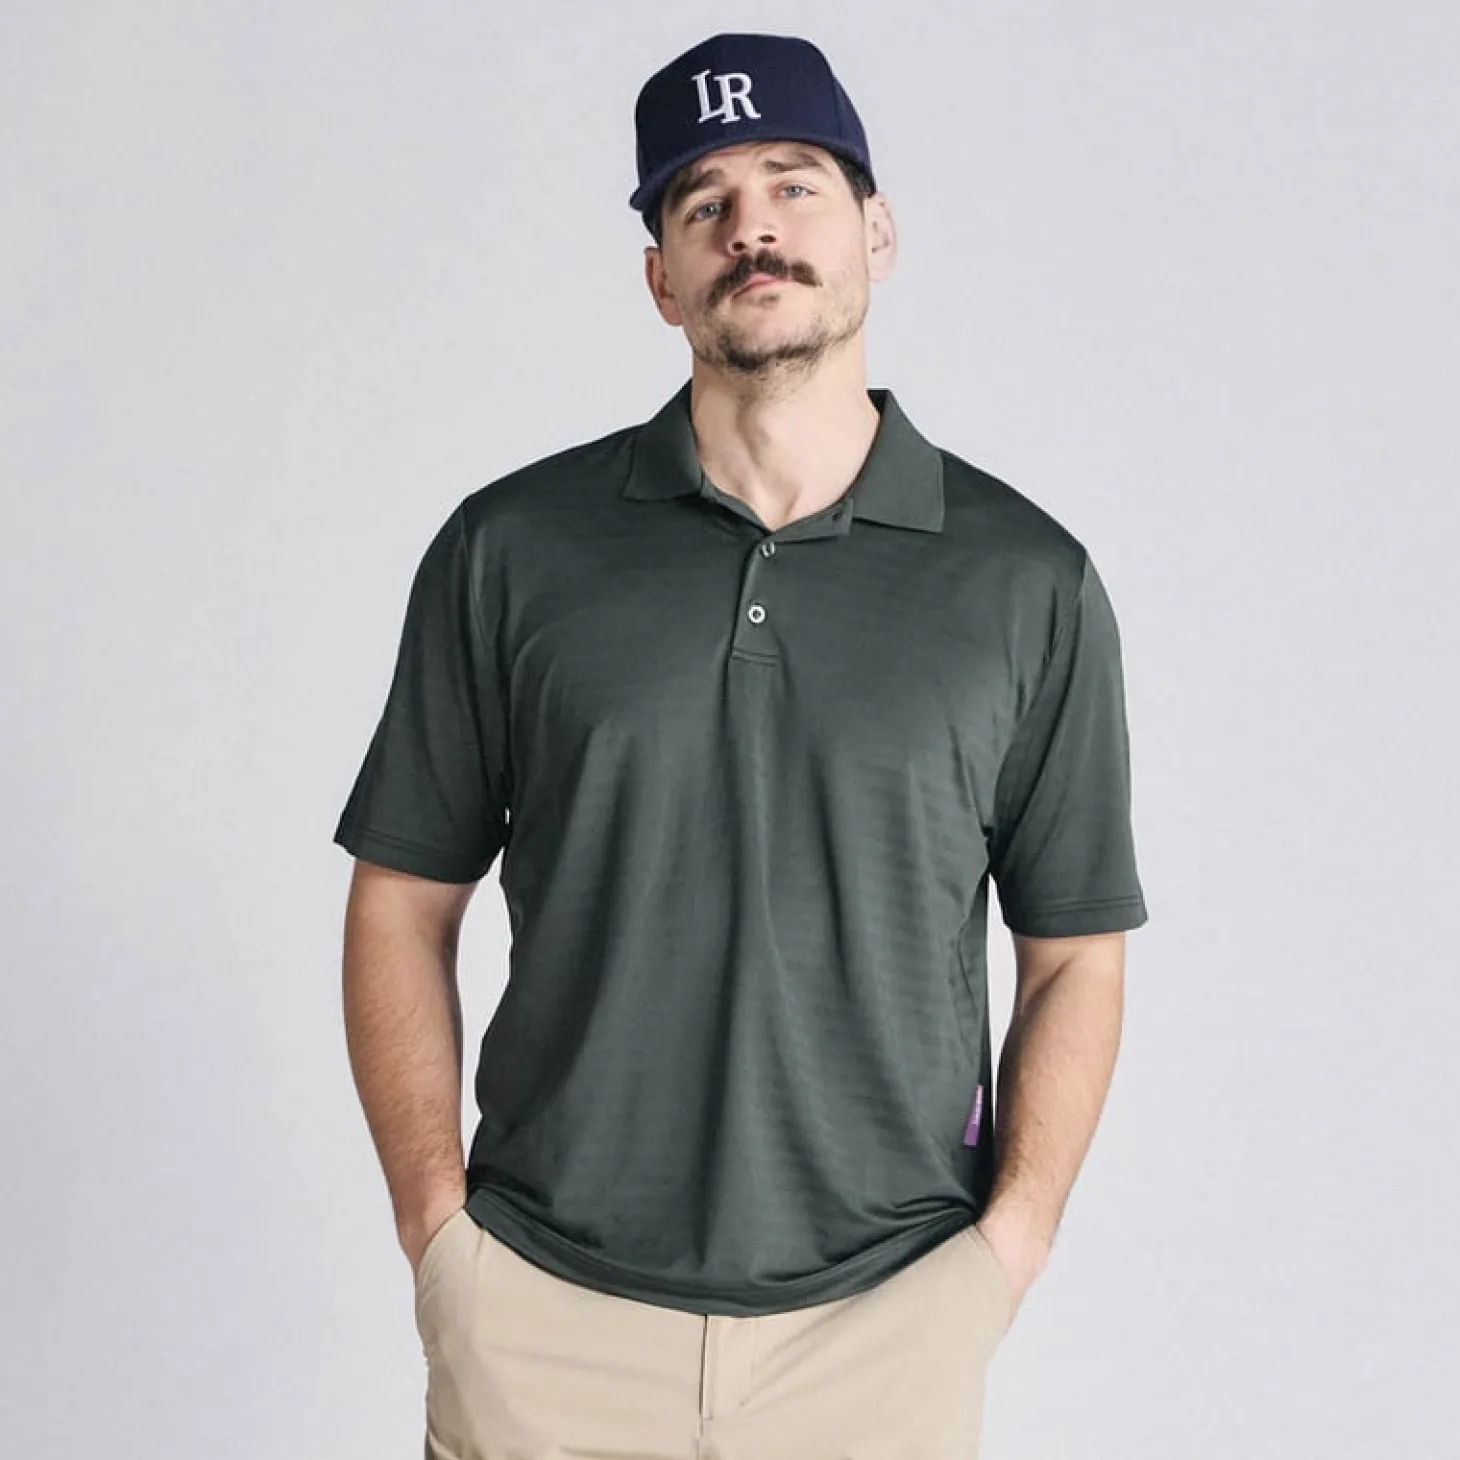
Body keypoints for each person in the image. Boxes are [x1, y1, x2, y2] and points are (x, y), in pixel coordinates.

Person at [333, 30, 1148, 1460]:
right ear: (661, 276)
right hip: (543, 1316)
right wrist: (437, 1232)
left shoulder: (1026, 581)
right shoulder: (511, 550)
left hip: (884, 1322)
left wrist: (1004, 1253)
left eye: (794, 184)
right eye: (703, 202)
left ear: (877, 232)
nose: (752, 228)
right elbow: (402, 898)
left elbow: (1075, 948)